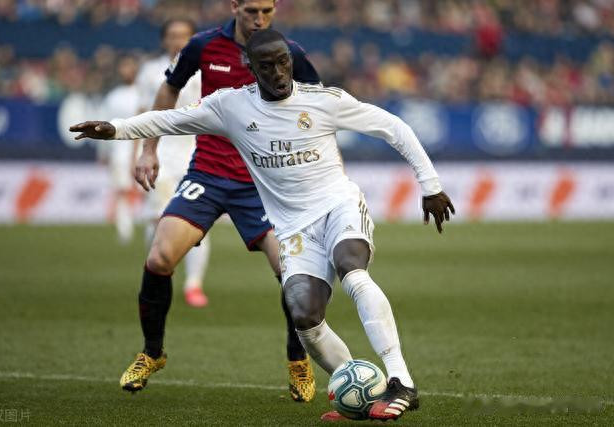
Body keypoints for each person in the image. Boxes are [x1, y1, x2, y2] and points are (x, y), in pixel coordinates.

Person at [70, 29, 456, 421]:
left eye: (283, 62)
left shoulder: (323, 100)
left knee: (352, 271)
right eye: (267, 66)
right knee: (305, 318)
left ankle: (401, 381)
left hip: (338, 206)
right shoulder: (231, 106)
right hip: (294, 230)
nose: (278, 72)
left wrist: (431, 186)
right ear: (250, 68)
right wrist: (115, 129)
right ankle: (361, 394)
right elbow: (170, 118)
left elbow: (394, 127)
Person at [112, 0, 320, 402]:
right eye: (252, 11)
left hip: (263, 182)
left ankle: (298, 359)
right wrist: (149, 149)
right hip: (207, 173)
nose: (260, 19)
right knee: (159, 257)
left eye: (267, 11)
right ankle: (152, 352)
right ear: (234, 6)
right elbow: (169, 87)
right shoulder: (203, 46)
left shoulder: (288, 51)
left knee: (292, 272)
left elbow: (319, 102)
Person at [134, 19, 211, 307]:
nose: (178, 40)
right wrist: (138, 152)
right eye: (172, 35)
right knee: (157, 220)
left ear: (193, 39)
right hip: (161, 154)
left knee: (197, 224)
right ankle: (157, 273)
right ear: (164, 40)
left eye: (184, 36)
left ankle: (194, 284)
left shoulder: (206, 70)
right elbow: (142, 114)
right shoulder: (150, 72)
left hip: (197, 153)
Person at [99, 54, 140, 244]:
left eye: (129, 66)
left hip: (142, 150)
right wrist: (103, 152)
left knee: (150, 190)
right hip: (120, 152)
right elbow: (103, 125)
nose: (126, 71)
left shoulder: (145, 92)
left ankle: (155, 227)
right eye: (123, 67)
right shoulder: (113, 97)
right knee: (122, 190)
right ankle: (125, 231)